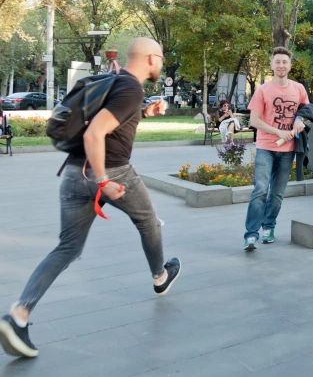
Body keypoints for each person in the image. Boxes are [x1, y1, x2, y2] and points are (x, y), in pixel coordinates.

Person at [0, 38, 181, 359]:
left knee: (67, 248)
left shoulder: (116, 82)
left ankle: (19, 315)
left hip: (72, 173)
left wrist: (144, 112)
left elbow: (111, 119)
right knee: (149, 222)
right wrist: (104, 181)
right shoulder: (131, 88)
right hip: (112, 173)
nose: (161, 64)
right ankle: (160, 276)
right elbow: (94, 133)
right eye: (161, 59)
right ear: (152, 59)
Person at [243, 47, 308, 251]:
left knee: (277, 194)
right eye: (277, 62)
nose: (281, 65)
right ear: (271, 65)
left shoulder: (298, 89)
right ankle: (251, 234)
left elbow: (306, 110)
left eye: (284, 62)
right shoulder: (263, 90)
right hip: (265, 147)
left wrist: (299, 119)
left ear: (290, 65)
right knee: (260, 190)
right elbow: (254, 120)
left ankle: (268, 227)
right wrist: (278, 132)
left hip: (287, 150)